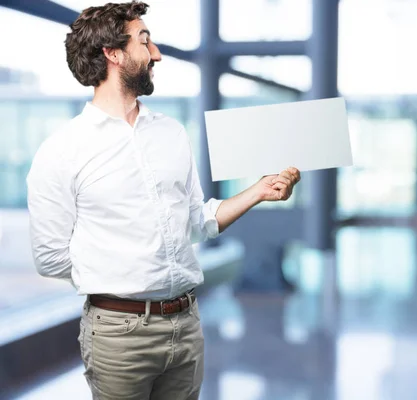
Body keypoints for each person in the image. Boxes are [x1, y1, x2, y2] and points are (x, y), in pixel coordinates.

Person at [26, 2, 301, 399]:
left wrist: (258, 190)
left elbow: (198, 222)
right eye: (144, 41)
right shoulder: (63, 151)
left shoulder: (171, 132)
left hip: (186, 327)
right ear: (112, 53)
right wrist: (120, 276)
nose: (155, 53)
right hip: (119, 337)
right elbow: (49, 255)